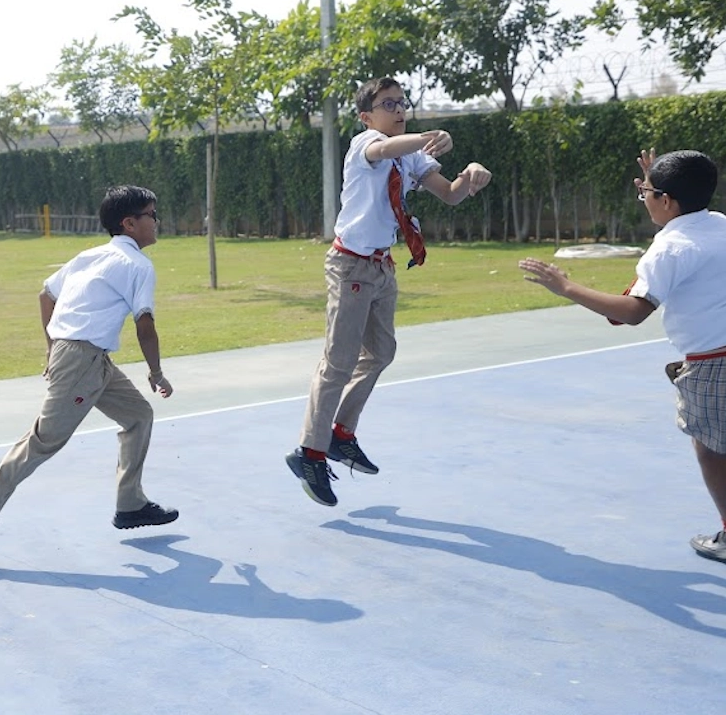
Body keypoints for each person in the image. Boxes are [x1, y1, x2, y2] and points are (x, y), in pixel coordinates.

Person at [287, 76, 492, 507]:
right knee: (338, 362)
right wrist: (431, 136)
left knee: (381, 352)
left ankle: (340, 434)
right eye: (388, 104)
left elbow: (450, 195)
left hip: (382, 267)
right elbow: (385, 150)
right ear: (366, 116)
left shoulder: (412, 155)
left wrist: (472, 173)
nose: (398, 109)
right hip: (350, 265)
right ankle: (310, 452)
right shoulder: (366, 144)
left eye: (402, 102)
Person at [0, 185, 178, 562]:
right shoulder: (138, 265)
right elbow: (145, 325)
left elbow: (45, 295)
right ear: (130, 223)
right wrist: (156, 371)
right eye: (152, 215)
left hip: (91, 359)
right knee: (43, 441)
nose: (157, 221)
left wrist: (52, 347)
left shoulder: (90, 256)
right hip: (82, 362)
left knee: (138, 415)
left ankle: (130, 504)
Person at [519, 149, 726, 565]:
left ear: (666, 201)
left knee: (710, 448)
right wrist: (659, 183)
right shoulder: (719, 223)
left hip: (711, 362)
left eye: (646, 193)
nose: (642, 197)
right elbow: (682, 220)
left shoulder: (669, 250)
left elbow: (631, 312)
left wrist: (566, 287)